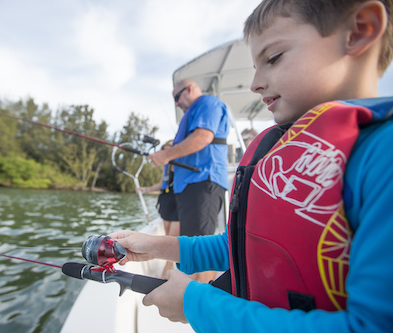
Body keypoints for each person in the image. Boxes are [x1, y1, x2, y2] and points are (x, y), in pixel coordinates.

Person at [110, 0, 393, 332]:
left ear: (360, 30)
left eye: (273, 58)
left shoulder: (382, 158)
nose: (255, 83)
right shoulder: (276, 152)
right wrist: (156, 246)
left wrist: (197, 304)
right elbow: (243, 246)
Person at [147, 78, 229, 283]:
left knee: (202, 249)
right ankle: (192, 294)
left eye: (177, 96)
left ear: (190, 89)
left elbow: (203, 137)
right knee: (192, 244)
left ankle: (205, 305)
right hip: (189, 188)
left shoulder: (207, 103)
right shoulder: (193, 112)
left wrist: (166, 156)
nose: (176, 103)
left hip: (203, 183)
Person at [137, 140, 179, 278]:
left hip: (179, 201)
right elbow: (161, 184)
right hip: (166, 200)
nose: (166, 153)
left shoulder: (182, 165)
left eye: (169, 150)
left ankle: (167, 269)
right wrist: (145, 189)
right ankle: (170, 265)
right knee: (167, 235)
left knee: (173, 237)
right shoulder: (166, 166)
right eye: (164, 150)